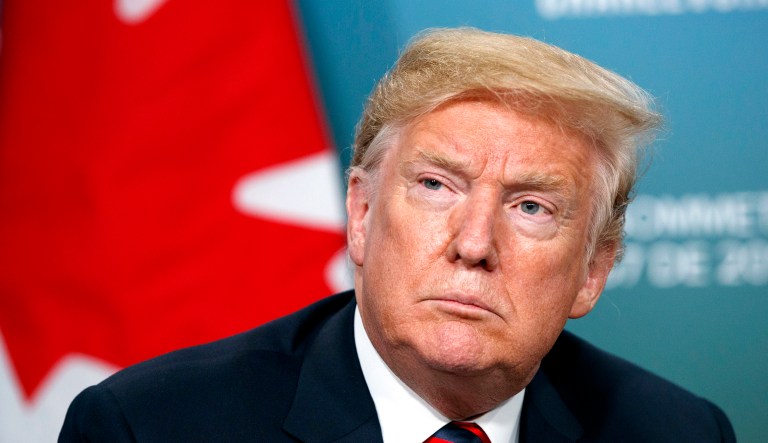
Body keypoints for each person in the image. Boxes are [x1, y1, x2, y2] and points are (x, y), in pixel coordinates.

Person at [59, 28, 736, 442]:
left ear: (593, 269)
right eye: (436, 186)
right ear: (360, 213)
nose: (474, 243)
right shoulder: (149, 427)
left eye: (531, 206)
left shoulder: (677, 432)